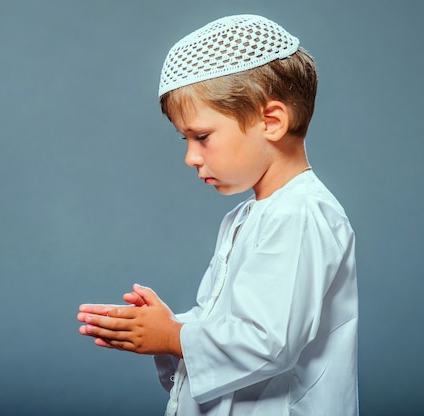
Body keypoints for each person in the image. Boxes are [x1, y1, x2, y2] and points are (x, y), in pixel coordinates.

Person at [77, 14, 358, 416]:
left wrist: (174, 337)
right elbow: (231, 322)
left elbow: (270, 342)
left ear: (272, 121)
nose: (191, 157)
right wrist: (164, 327)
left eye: (202, 137)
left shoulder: (302, 213)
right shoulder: (247, 215)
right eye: (186, 139)